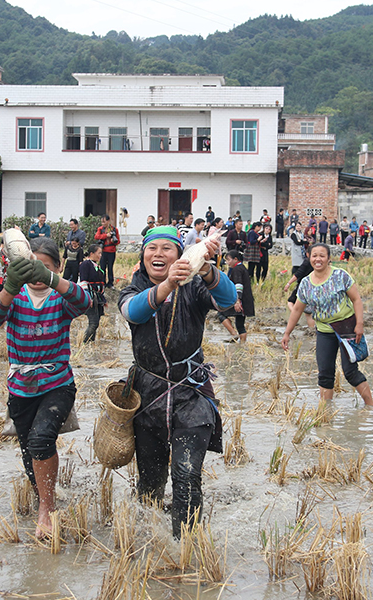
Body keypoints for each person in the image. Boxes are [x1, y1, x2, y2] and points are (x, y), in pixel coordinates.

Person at [118, 226, 236, 537]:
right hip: (147, 399)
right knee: (151, 482)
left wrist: (207, 268)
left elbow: (228, 298)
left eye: (166, 249)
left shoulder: (195, 287)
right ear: (143, 255)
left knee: (185, 476)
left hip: (191, 395)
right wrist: (169, 283)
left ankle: (185, 548)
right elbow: (134, 313)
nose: (158, 254)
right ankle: (148, 539)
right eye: (151, 248)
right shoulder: (131, 291)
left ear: (179, 254)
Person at [0, 237, 90, 536]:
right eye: (33, 268)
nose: (38, 275)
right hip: (21, 387)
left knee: (41, 440)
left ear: (57, 267)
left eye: (45, 268)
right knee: (28, 450)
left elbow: (85, 303)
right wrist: (10, 287)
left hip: (57, 383)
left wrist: (53, 281)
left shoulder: (60, 298)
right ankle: (43, 492)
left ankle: (48, 507)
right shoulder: (15, 297)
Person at [282, 243, 373, 406]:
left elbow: (356, 300)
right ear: (309, 258)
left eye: (322, 256)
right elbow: (297, 309)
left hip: (348, 328)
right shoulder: (305, 283)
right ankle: (326, 411)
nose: (318, 259)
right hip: (324, 331)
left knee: (350, 372)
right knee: (325, 373)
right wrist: (287, 333)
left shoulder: (340, 276)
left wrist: (359, 324)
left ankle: (370, 406)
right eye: (314, 255)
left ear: (328, 258)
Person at [218, 250, 254, 342]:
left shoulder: (237, 269)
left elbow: (239, 285)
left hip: (240, 300)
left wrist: (238, 300)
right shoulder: (242, 268)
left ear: (235, 259)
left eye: (228, 260)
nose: (227, 263)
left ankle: (234, 334)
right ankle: (242, 346)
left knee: (221, 314)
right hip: (246, 299)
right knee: (240, 324)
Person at [78, 244, 106, 343]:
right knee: (93, 322)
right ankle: (85, 342)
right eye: (99, 253)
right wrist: (88, 297)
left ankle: (91, 343)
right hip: (91, 297)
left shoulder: (96, 265)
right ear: (91, 253)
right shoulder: (86, 265)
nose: (100, 255)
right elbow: (83, 282)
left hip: (97, 297)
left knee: (96, 322)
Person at [95, 214, 120, 287]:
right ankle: (102, 282)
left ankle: (110, 282)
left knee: (110, 267)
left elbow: (118, 241)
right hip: (103, 251)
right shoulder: (100, 229)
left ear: (108, 221)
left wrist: (113, 241)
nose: (103, 223)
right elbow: (96, 236)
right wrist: (106, 236)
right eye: (102, 222)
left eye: (104, 221)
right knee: (102, 267)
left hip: (111, 251)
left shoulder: (115, 229)